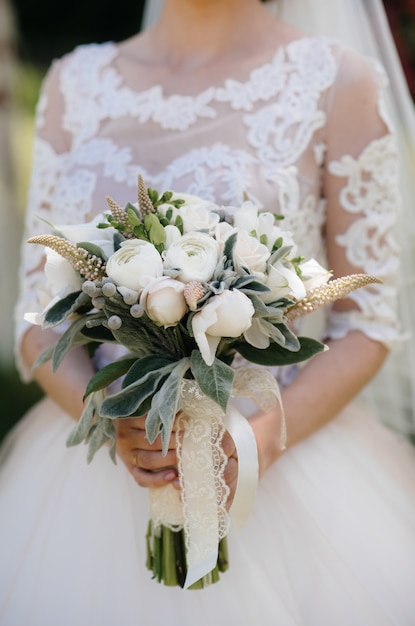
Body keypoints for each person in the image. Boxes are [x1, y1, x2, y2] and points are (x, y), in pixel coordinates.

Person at [1, 0, 415, 624]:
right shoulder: (74, 84)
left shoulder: (338, 81)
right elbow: (38, 321)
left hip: (280, 461)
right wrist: (114, 420)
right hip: (101, 477)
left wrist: (255, 442)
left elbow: (369, 320)